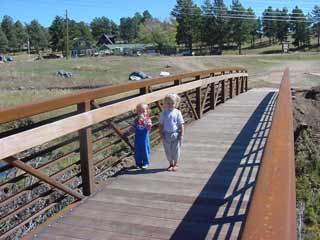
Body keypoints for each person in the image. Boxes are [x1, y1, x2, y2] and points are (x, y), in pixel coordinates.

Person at [159, 94, 185, 172]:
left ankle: (175, 164)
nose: (170, 105)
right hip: (166, 134)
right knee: (168, 151)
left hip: (175, 134)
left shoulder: (177, 112)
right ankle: (170, 164)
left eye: (172, 103)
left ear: (176, 103)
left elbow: (181, 124)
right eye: (168, 103)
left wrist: (181, 134)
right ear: (165, 104)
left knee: (176, 150)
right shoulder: (163, 113)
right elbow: (161, 124)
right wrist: (161, 134)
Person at [127, 103, 152, 169]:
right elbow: (133, 128)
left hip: (144, 139)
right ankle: (138, 163)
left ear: (147, 112)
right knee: (137, 151)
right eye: (139, 111)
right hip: (137, 139)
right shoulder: (135, 120)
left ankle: (145, 163)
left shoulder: (147, 119)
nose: (141, 113)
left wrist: (145, 122)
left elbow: (149, 128)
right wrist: (130, 131)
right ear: (137, 112)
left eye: (143, 111)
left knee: (145, 151)